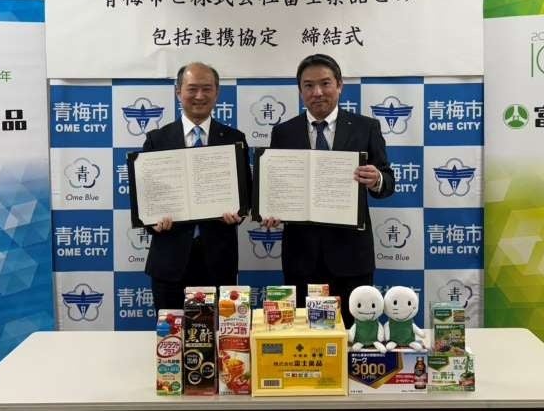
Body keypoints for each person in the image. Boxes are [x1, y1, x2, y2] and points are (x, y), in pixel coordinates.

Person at [263, 54, 394, 328]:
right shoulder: (283, 132)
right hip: (301, 256)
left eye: (325, 83)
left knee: (353, 335)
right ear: (300, 90)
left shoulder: (366, 127)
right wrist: (271, 210)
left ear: (340, 85)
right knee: (304, 336)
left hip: (351, 256)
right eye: (308, 85)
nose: (317, 92)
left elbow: (388, 183)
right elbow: (277, 186)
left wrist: (376, 179)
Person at [142, 62, 250, 314]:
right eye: (192, 89)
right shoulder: (157, 140)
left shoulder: (234, 139)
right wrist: (151, 221)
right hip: (169, 262)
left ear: (217, 92)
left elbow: (246, 191)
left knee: (218, 332)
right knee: (172, 333)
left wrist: (239, 213)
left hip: (218, 261)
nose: (199, 96)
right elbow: (146, 196)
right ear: (178, 91)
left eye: (206, 89)